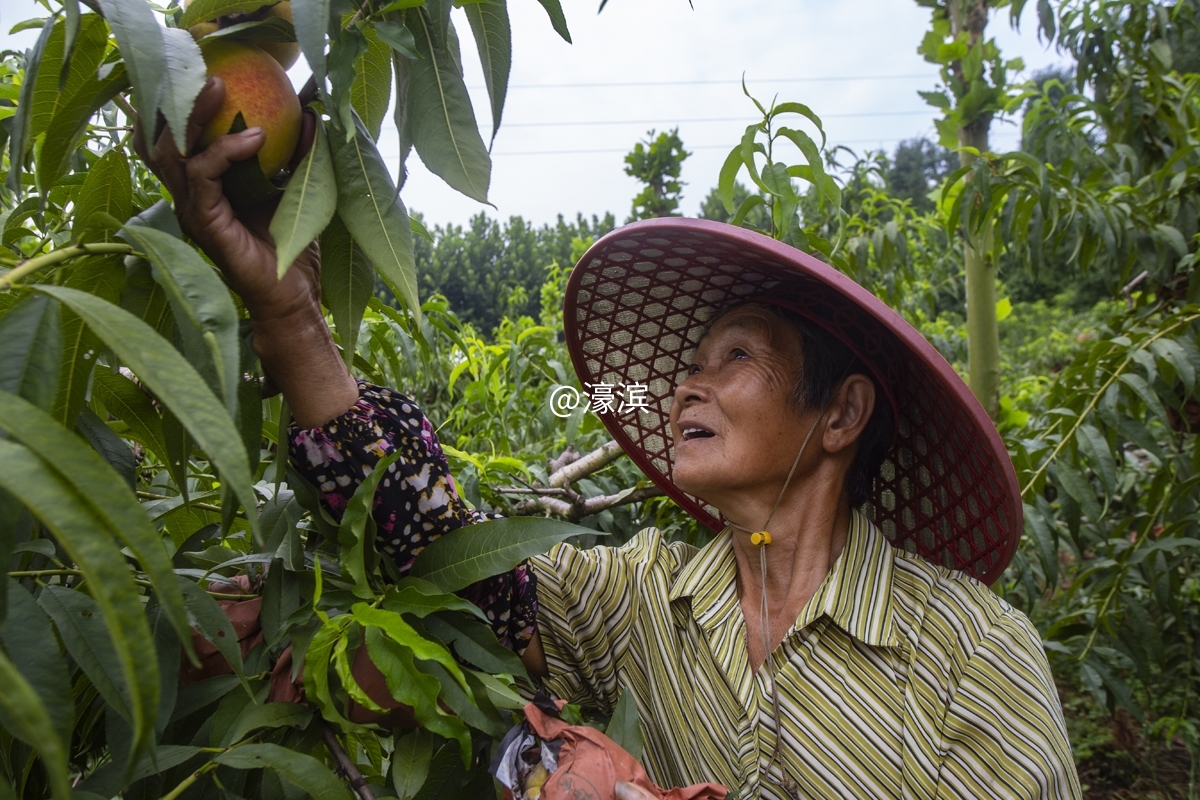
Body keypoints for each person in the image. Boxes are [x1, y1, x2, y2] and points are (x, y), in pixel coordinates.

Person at [137, 78, 1082, 799]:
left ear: (840, 416)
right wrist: (290, 311)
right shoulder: (641, 596)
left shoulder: (970, 651)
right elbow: (448, 557)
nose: (687, 386)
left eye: (737, 356)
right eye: (688, 364)